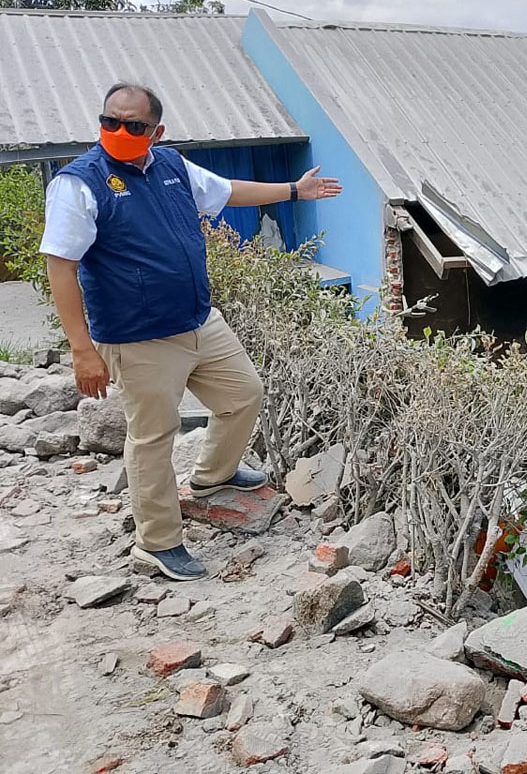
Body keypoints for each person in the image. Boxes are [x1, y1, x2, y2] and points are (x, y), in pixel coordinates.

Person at [40, 83, 342, 580]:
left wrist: (294, 190)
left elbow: (226, 191)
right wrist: (82, 348)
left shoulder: (171, 166)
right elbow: (61, 265)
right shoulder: (80, 183)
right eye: (110, 121)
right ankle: (156, 542)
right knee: (153, 436)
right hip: (137, 335)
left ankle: (212, 477)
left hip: (199, 319)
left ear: (156, 131)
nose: (120, 132)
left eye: (133, 125)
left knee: (245, 394)